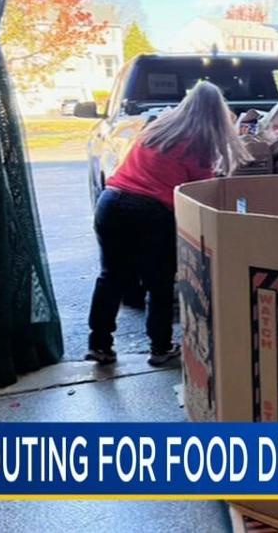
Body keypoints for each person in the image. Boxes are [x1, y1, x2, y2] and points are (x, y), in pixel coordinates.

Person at [85, 81, 249, 366]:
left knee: (111, 277)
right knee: (158, 284)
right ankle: (160, 348)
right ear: (217, 114)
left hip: (110, 202)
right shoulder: (198, 145)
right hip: (150, 212)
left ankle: (100, 345)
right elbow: (202, 190)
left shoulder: (157, 128)